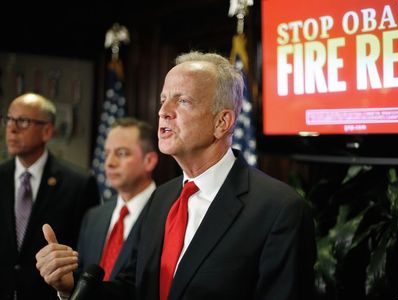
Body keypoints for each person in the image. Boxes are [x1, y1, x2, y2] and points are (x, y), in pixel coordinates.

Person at [36, 51, 316, 300]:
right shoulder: (161, 198)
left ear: (222, 122)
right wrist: (70, 286)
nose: (162, 112)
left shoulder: (279, 210)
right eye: (163, 100)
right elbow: (132, 289)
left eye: (182, 101)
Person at [39, 117, 158, 298]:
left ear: (149, 161)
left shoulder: (167, 214)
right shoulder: (93, 217)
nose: (109, 163)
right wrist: (65, 287)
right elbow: (81, 282)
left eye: (122, 153)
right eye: (107, 153)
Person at [0, 93, 100, 300]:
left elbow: (88, 253)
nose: (11, 128)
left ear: (47, 131)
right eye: (9, 119)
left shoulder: (79, 184)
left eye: (23, 121)